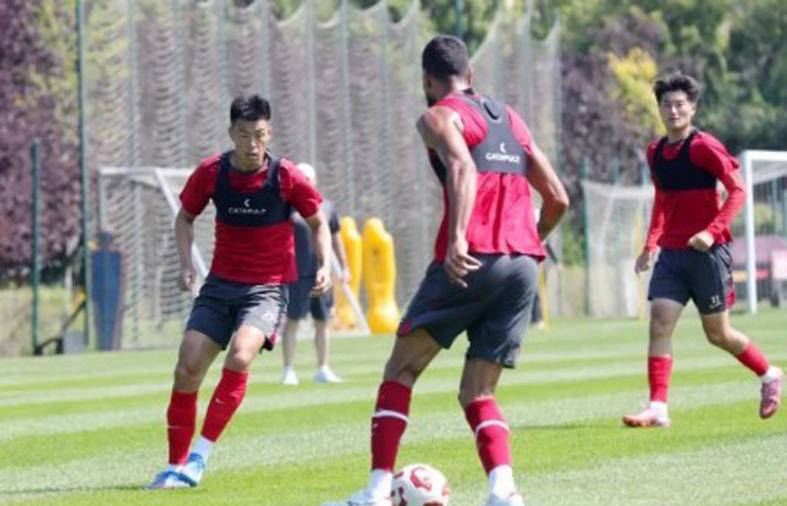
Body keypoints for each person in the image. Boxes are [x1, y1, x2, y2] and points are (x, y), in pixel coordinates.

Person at [330, 35, 569, 506]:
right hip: (522, 265)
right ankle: (503, 491)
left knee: (400, 370)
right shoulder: (512, 119)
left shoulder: (438, 115)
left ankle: (376, 492)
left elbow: (462, 166)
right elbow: (558, 198)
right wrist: (528, 239)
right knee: (478, 391)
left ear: (427, 80)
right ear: (470, 75)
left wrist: (459, 236)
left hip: (471, 257)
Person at [148, 94, 332, 489]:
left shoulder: (286, 177)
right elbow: (185, 218)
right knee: (187, 367)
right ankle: (175, 465)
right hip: (219, 286)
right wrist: (185, 263)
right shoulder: (211, 172)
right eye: (244, 134)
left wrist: (325, 266)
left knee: (241, 354)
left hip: (266, 289)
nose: (252, 144)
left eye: (260, 135)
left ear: (270, 133)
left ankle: (199, 458)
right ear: (231, 133)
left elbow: (318, 223)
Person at [622, 72, 782, 428]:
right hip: (672, 254)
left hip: (709, 255)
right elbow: (662, 199)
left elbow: (738, 191)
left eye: (680, 104)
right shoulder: (655, 152)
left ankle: (769, 374)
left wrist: (711, 232)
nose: (673, 110)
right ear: (659, 109)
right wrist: (650, 244)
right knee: (659, 323)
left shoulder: (704, 147)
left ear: (693, 108)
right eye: (666, 104)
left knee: (717, 334)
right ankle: (658, 408)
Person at [281, 162, 351, 385]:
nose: (305, 182)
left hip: (322, 274)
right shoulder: (286, 207)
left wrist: (344, 267)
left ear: (315, 181)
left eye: (308, 179)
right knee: (292, 320)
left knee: (323, 321)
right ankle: (288, 370)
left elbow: (336, 239)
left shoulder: (327, 207)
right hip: (295, 275)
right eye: (301, 178)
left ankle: (323, 368)